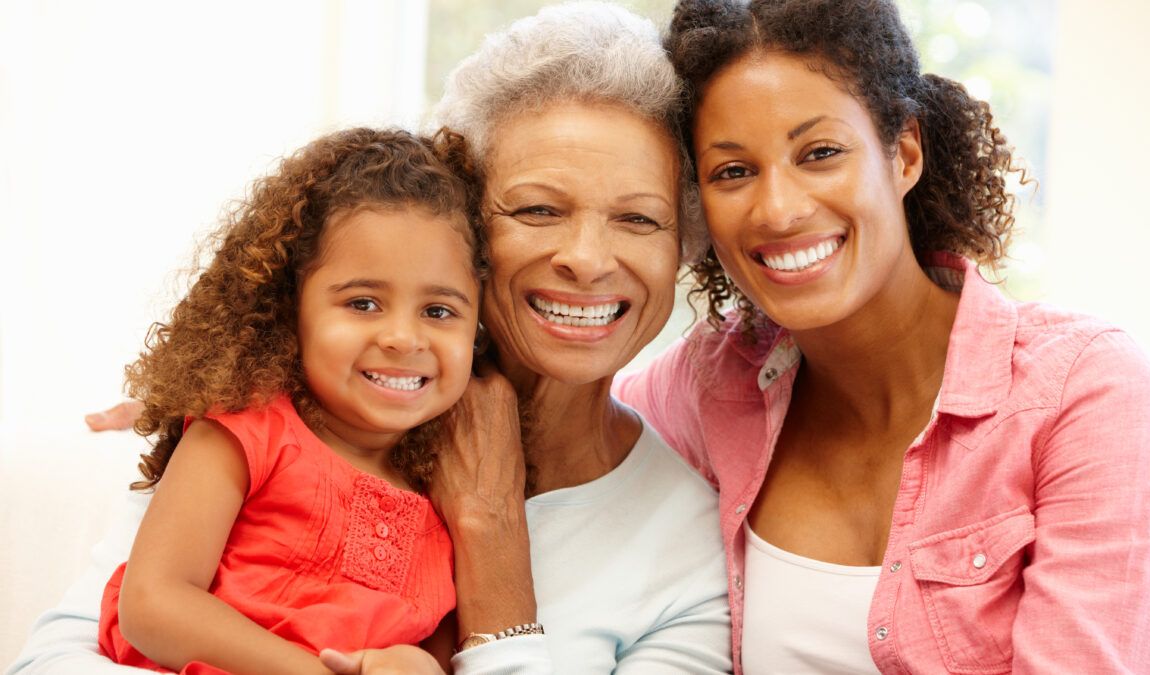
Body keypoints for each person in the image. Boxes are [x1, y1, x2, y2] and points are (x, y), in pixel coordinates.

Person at [9, 4, 731, 674]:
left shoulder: (684, 543)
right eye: (538, 209)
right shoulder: (292, 407)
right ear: (465, 230)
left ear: (684, 245)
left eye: (639, 219)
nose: (588, 257)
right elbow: (61, 655)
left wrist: (492, 541)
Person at [613, 0, 1150, 672]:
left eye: (820, 152)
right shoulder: (705, 387)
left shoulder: (1089, 395)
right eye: (733, 172)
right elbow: (560, 444)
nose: (778, 209)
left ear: (905, 152)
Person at [93, 127, 486, 674]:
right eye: (364, 302)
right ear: (290, 309)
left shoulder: (451, 489)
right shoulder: (244, 432)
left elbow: (432, 648)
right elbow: (152, 606)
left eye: (439, 311)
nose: (403, 337)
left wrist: (412, 664)